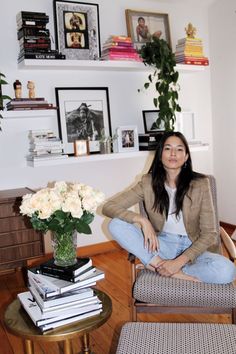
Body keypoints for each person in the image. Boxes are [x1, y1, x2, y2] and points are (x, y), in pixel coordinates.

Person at [102, 131, 236, 284]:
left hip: (195, 247)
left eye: (179, 149)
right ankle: (167, 270)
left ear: (186, 157)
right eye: (167, 148)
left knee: (228, 271)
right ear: (160, 155)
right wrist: (142, 221)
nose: (173, 153)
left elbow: (210, 233)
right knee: (115, 224)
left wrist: (178, 263)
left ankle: (162, 268)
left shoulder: (200, 184)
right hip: (162, 245)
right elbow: (109, 207)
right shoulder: (148, 182)